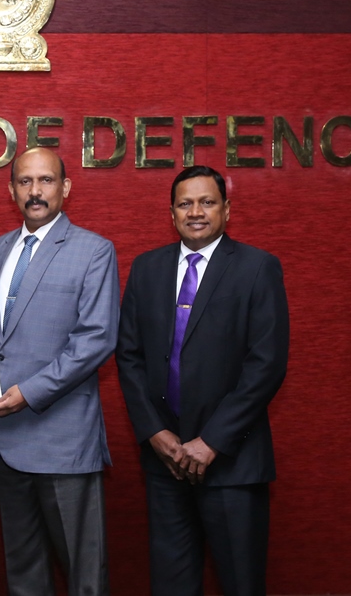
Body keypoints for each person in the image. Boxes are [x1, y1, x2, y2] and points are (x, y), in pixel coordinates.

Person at [0, 147, 119, 595]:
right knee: (24, 572)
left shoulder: (94, 250)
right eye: (25, 182)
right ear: (11, 190)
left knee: (83, 573)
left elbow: (95, 339)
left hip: (62, 437)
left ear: (65, 188)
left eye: (45, 181)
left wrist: (28, 392)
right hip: (4, 442)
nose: (35, 191)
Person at [115, 165, 290, 596]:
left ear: (226, 210)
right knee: (170, 585)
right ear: (171, 212)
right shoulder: (146, 268)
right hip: (165, 463)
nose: (196, 212)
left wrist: (211, 441)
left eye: (207, 202)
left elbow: (266, 364)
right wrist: (154, 432)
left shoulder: (257, 267)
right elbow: (129, 356)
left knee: (240, 584)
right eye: (185, 203)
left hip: (232, 461)